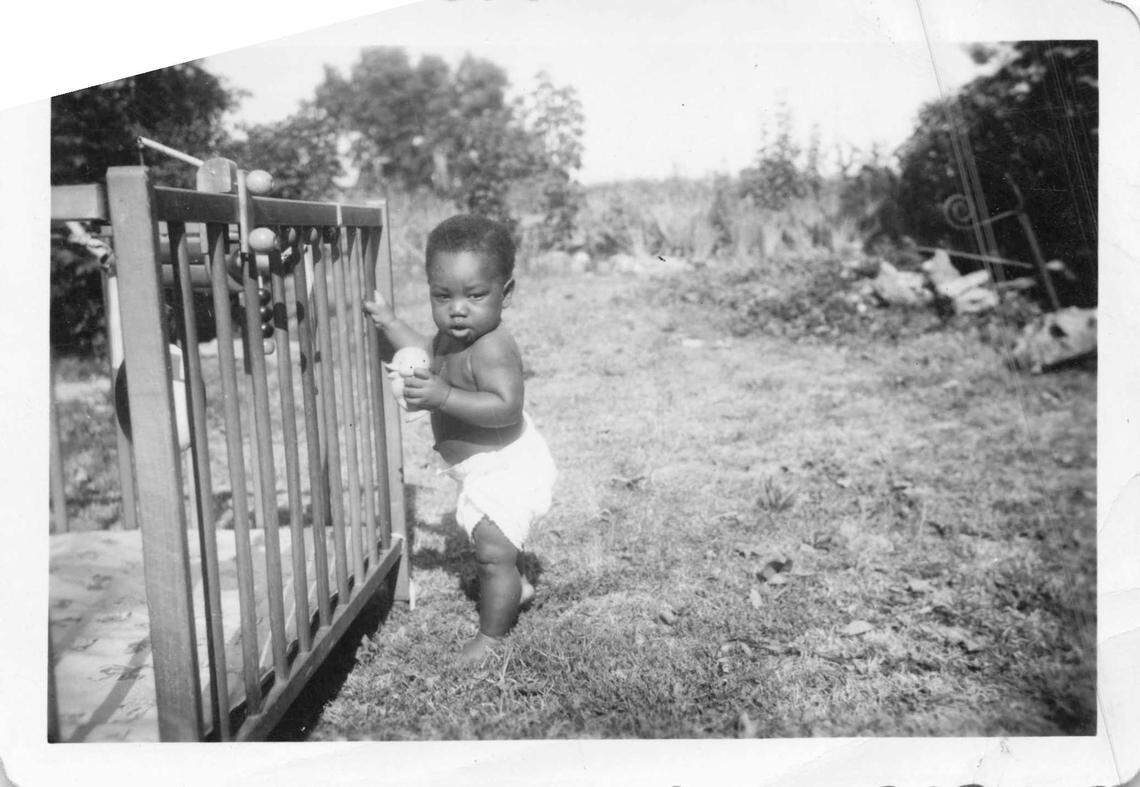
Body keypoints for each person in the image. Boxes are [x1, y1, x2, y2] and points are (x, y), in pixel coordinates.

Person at [362, 214, 555, 664]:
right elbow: (421, 351)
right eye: (442, 296)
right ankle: (517, 588)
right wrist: (389, 322)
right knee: (492, 548)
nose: (457, 309)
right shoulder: (450, 338)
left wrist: (444, 395)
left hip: (507, 464)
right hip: (480, 468)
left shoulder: (492, 347)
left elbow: (505, 406)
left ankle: (491, 639)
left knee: (492, 555)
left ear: (505, 294)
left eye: (475, 295)